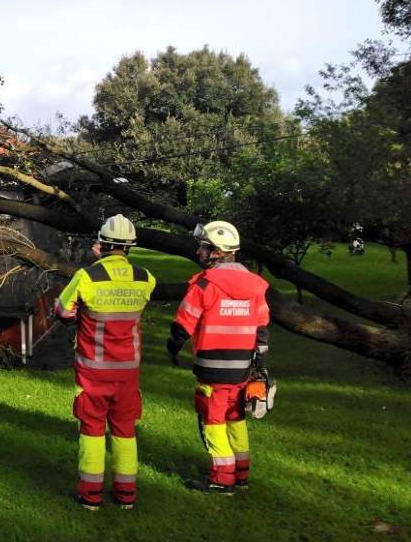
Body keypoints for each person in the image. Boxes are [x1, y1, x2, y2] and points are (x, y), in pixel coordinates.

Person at [55, 214, 156, 511]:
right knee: (125, 431)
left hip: (93, 371)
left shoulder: (87, 276)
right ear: (129, 247)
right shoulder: (145, 278)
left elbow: (63, 311)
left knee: (92, 430)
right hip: (128, 372)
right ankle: (126, 495)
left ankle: (90, 495)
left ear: (102, 243)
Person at [165, 221, 270, 495]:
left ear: (215, 252)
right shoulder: (256, 286)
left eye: (203, 247)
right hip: (242, 369)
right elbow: (262, 330)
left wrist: (172, 349)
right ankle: (242, 474)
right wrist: (260, 365)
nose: (199, 252)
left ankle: (222, 480)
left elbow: (182, 327)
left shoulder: (204, 285)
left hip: (211, 369)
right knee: (236, 417)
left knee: (213, 420)